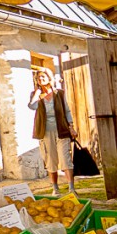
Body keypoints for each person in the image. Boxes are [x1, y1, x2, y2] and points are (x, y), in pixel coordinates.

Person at [28, 67, 78, 197]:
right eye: (38, 78)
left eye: (43, 77)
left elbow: (67, 110)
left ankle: (71, 188)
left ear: (49, 78)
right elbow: (31, 106)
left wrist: (71, 127)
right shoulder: (36, 94)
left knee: (65, 158)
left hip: (61, 130)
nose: (40, 79)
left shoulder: (59, 93)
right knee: (50, 160)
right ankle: (55, 189)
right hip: (45, 132)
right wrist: (36, 94)